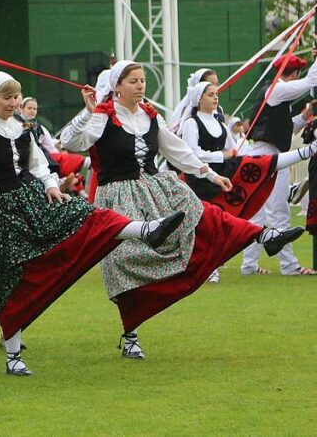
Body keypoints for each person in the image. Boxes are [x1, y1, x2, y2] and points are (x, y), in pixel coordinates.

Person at [0, 74, 185, 375]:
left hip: (29, 200)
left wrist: (51, 184)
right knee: (7, 281)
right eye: (7, 98)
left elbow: (38, 164)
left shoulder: (22, 126)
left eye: (16, 97)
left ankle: (146, 230)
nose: (14, 103)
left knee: (85, 214)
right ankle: (14, 355)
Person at [58, 61, 304, 358]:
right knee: (123, 261)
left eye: (142, 80)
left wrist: (211, 174)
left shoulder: (150, 116)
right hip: (117, 195)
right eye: (133, 81)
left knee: (206, 215)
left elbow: (176, 149)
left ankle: (264, 235)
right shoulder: (103, 116)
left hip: (156, 187)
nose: (140, 86)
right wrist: (88, 110)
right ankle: (131, 334)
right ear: (117, 86)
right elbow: (69, 141)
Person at [177, 80, 317, 283]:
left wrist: (241, 158)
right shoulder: (191, 122)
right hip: (200, 179)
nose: (215, 97)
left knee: (262, 165)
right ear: (198, 99)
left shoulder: (218, 122)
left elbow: (233, 148)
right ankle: (208, 265)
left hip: (223, 175)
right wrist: (222, 156)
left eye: (216, 94)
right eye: (210, 94)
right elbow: (192, 154)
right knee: (207, 226)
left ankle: (306, 152)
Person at [240, 54, 317, 276]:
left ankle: (249, 264)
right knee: (278, 210)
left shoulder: (274, 92)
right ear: (294, 74)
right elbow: (310, 82)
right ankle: (289, 265)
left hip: (262, 152)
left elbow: (281, 128)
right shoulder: (278, 89)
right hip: (269, 155)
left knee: (260, 212)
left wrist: (303, 116)